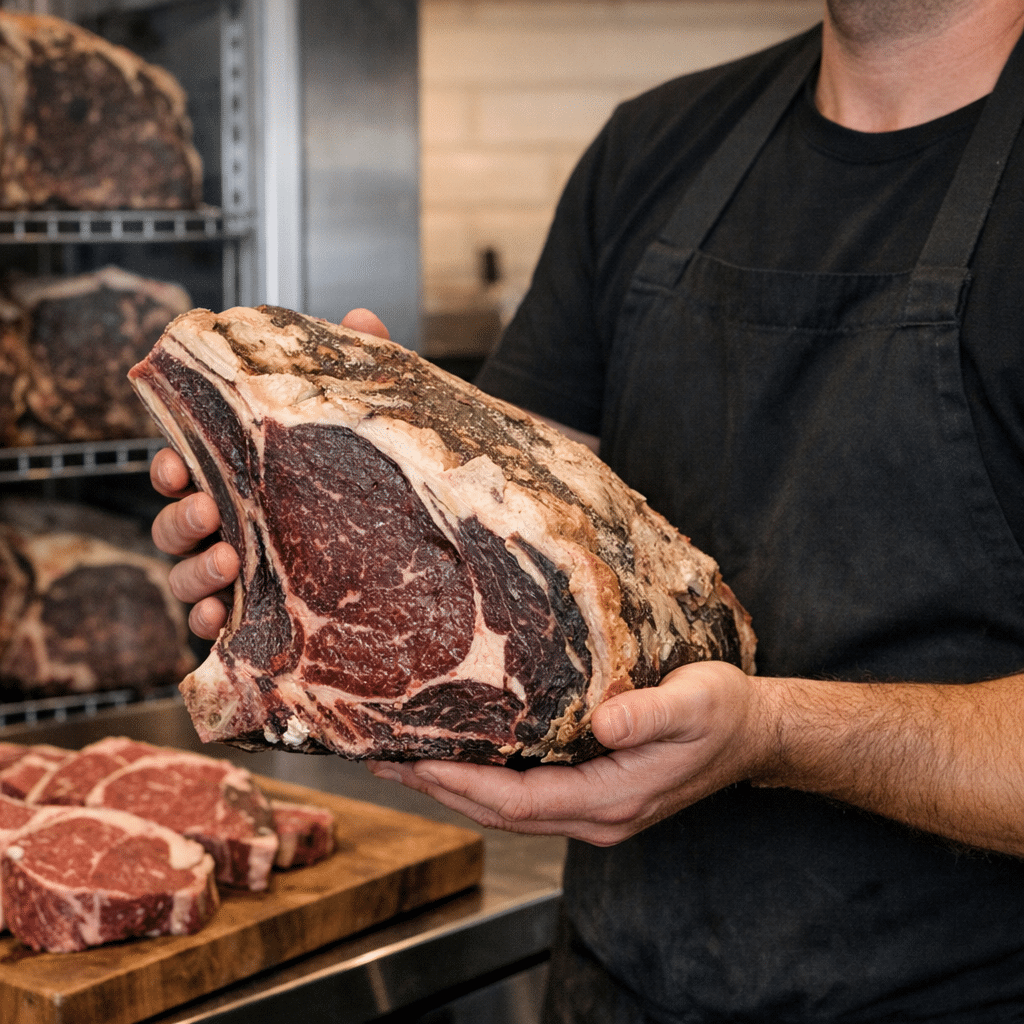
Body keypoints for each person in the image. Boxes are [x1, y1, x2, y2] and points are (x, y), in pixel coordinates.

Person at [150, 0, 1024, 1019]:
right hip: (618, 979)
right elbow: (519, 529)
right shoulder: (658, 146)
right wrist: (329, 499)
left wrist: (778, 731)